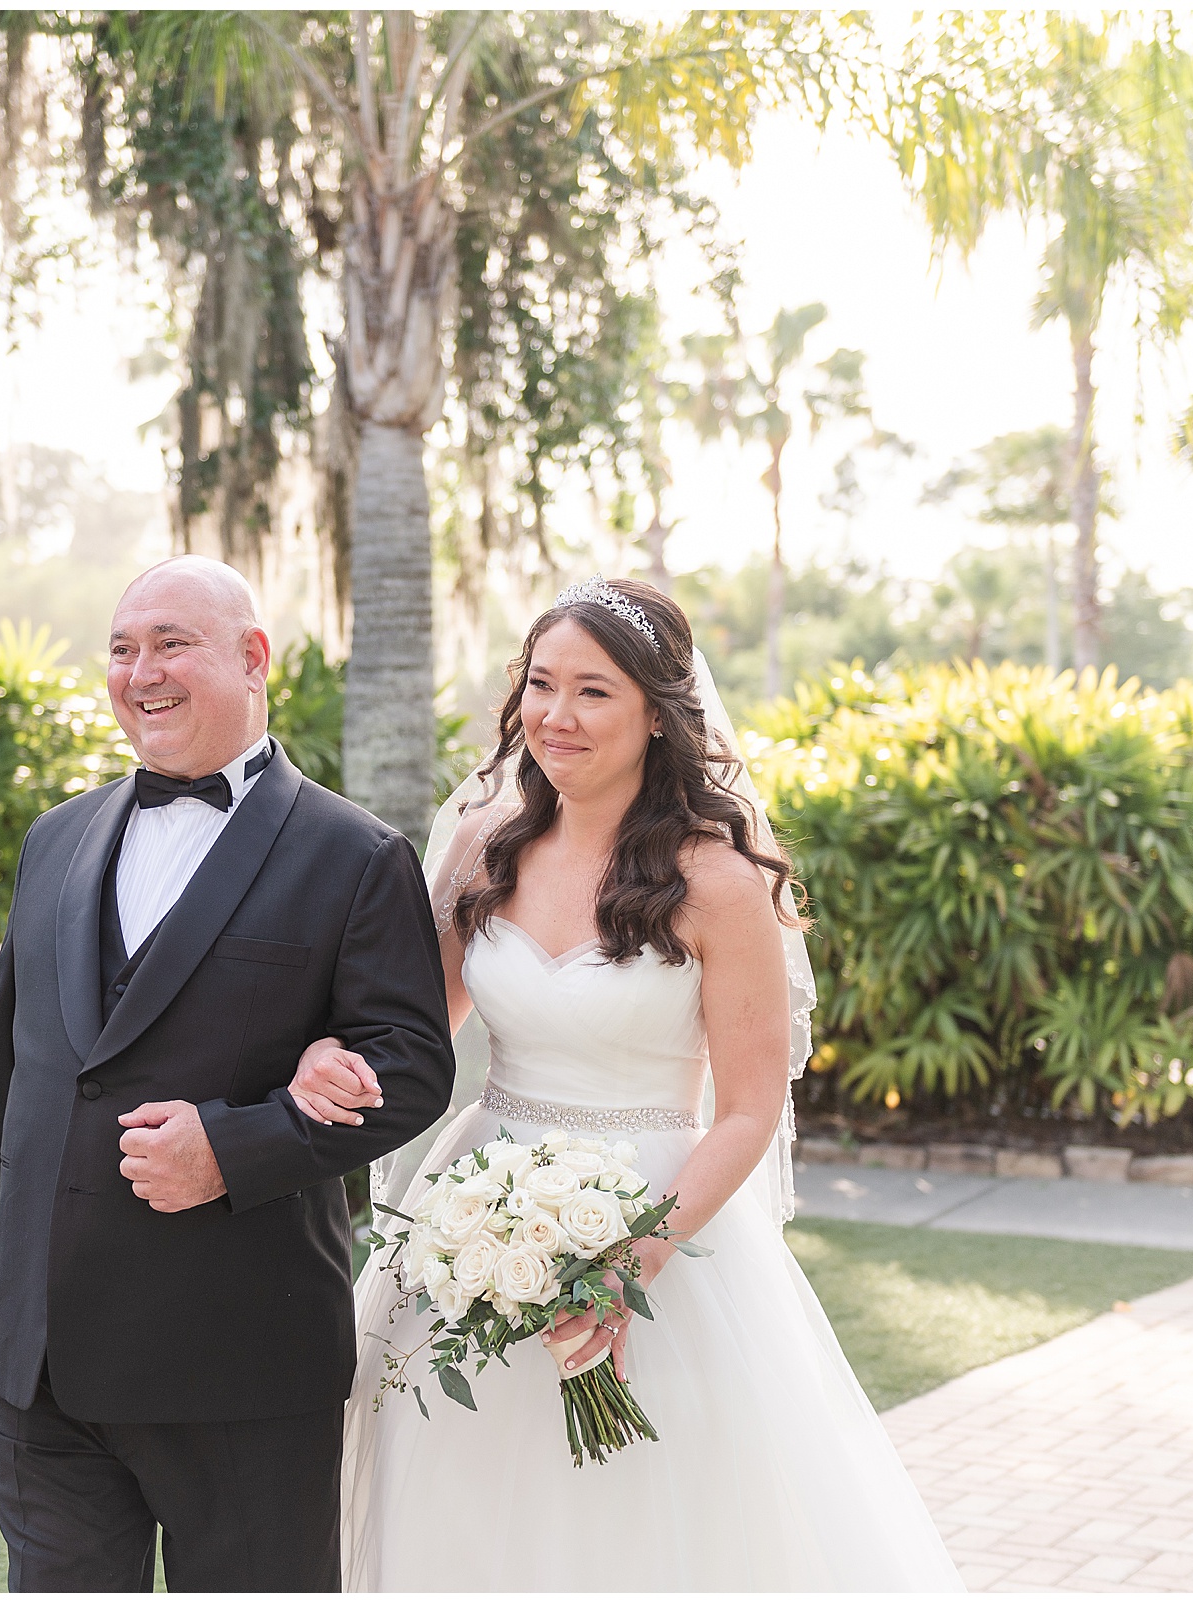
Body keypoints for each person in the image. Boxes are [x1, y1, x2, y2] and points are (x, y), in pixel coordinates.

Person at [291, 578, 964, 1591]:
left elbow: (747, 1106)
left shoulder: (718, 882)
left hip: (662, 1220)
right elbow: (411, 1034)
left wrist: (633, 1257)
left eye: (593, 692)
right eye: (541, 685)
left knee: (645, 1523)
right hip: (478, 1203)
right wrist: (324, 1055)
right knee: (456, 1506)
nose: (555, 717)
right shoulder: (486, 844)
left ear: (658, 712)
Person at [0, 555, 455, 1592]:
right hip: (45, 1357)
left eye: (171, 643)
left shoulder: (355, 854)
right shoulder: (55, 839)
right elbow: (1, 1065)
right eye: (122, 648)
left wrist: (231, 1147)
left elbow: (413, 1066)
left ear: (254, 659)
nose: (140, 671)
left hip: (239, 1360)